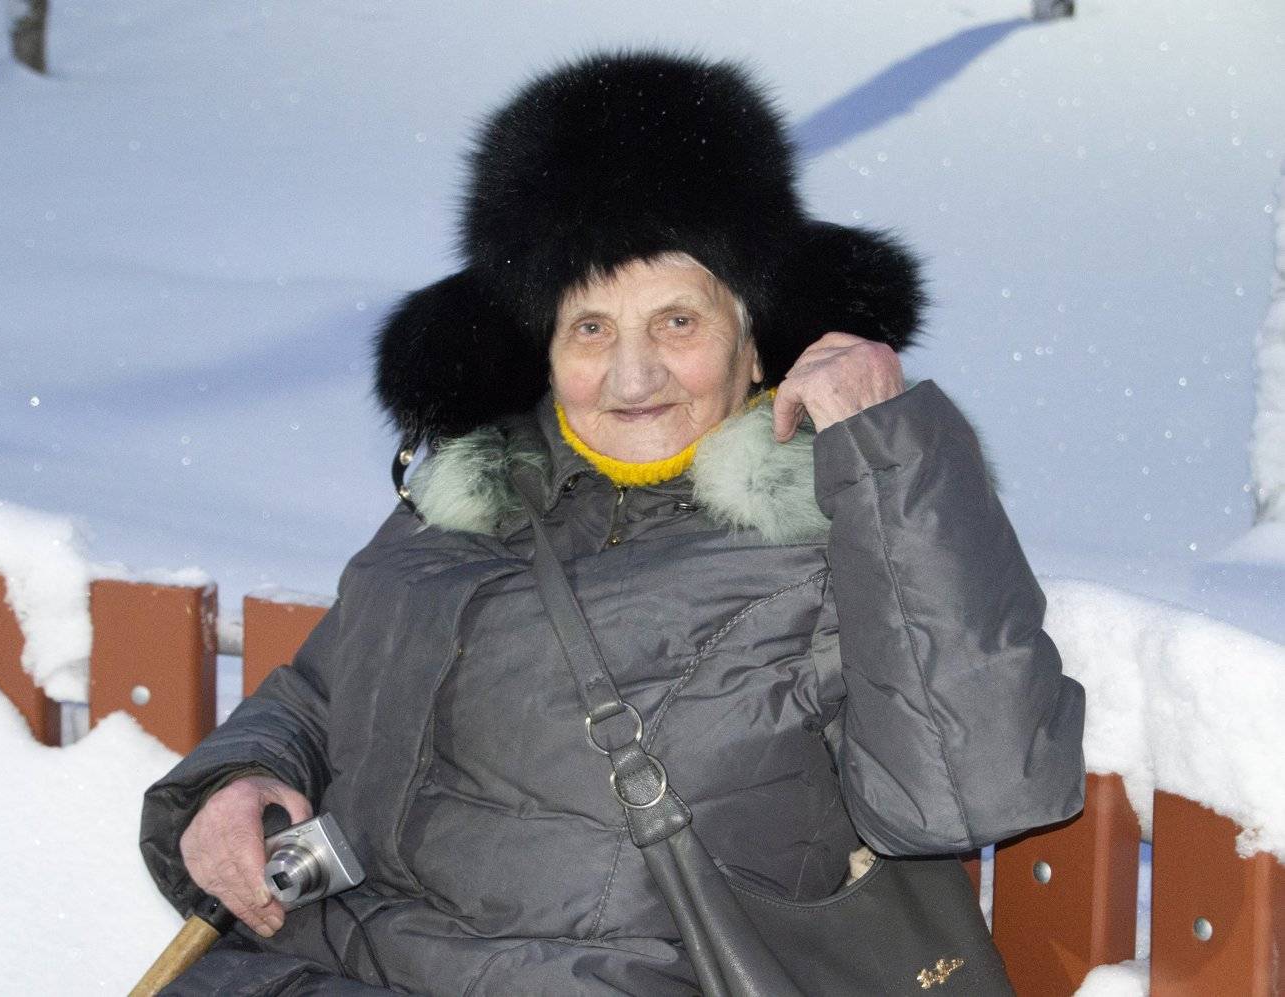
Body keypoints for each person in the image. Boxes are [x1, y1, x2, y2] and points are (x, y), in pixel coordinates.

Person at [139, 51, 1086, 995]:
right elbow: (323, 690)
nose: (633, 377)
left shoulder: (841, 534)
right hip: (309, 963)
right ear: (543, 348)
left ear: (759, 343)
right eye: (591, 327)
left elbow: (975, 790)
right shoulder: (473, 500)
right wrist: (243, 775)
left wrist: (888, 454)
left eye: (678, 321)